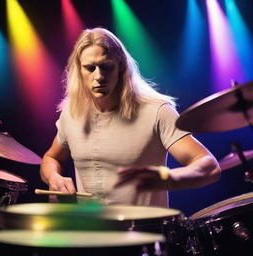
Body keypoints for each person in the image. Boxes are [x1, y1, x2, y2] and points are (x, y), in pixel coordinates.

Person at [40, 27, 221, 207]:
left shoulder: (157, 110)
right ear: (79, 71)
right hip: (90, 231)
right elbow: (51, 158)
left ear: (120, 66)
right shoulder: (71, 114)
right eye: (90, 68)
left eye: (106, 66)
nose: (99, 76)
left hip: (144, 232)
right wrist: (54, 177)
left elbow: (209, 166)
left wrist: (170, 177)